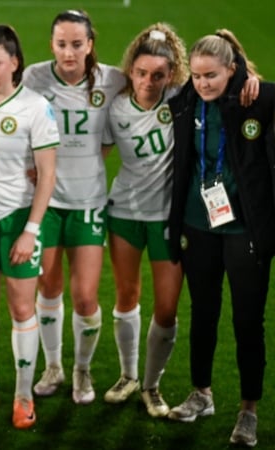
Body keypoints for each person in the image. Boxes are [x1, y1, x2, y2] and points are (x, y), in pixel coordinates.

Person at [166, 30, 274, 448]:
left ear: (231, 69)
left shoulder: (257, 99)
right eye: (195, 75)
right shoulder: (185, 102)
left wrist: (252, 80)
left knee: (248, 320)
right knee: (203, 311)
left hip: (245, 227)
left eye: (211, 75)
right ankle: (201, 394)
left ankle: (248, 409)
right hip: (197, 223)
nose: (203, 83)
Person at [22, 9, 126, 404]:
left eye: (77, 44)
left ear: (90, 45)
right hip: (45, 205)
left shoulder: (111, 79)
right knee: (48, 287)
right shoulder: (33, 77)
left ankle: (82, 370)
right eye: (62, 44)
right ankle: (54, 366)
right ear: (52, 45)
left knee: (85, 296)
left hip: (88, 203)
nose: (69, 52)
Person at [0, 25, 58, 429]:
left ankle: (23, 394)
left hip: (18, 217)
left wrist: (31, 230)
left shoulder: (36, 107)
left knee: (22, 307)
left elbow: (49, 174)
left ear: (14, 63)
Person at [100, 23, 188, 417]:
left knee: (167, 309)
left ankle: (152, 385)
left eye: (157, 75)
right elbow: (94, 153)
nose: (148, 82)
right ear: (130, 71)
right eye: (141, 73)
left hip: (169, 218)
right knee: (126, 296)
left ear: (171, 75)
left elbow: (227, 77)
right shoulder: (115, 108)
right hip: (124, 213)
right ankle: (128, 375)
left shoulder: (182, 100)